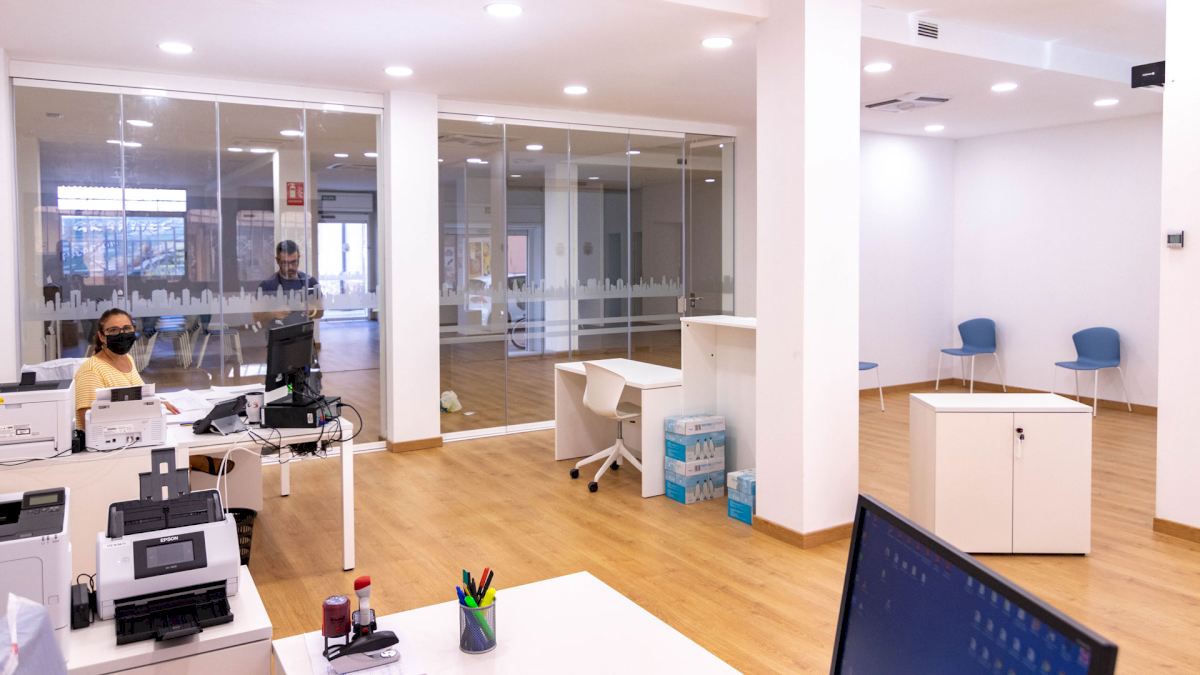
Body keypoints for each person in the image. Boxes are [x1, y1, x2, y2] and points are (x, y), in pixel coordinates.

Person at [73, 308, 179, 429]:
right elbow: (88, 423)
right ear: (102, 337)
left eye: (127, 328)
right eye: (113, 330)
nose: (122, 334)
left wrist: (156, 402)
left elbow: (138, 395)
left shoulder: (127, 358)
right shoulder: (91, 370)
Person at [255, 240, 323, 326]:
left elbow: (321, 312)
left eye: (294, 262)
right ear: (277, 260)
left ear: (299, 258)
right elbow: (256, 318)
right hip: (278, 334)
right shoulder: (266, 286)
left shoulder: (310, 282)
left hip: (304, 333)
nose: (290, 267)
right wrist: (273, 314)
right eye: (285, 263)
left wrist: (312, 310)